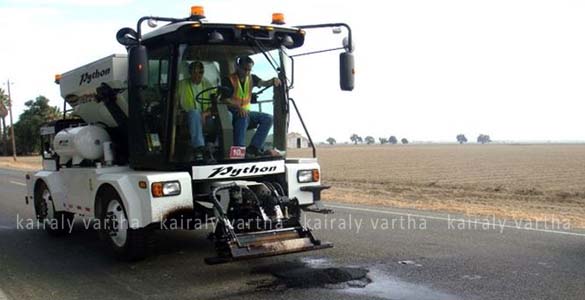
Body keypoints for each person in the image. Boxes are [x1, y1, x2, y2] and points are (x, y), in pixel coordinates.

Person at [222, 56, 281, 158]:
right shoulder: (229, 80)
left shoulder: (251, 78)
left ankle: (253, 148)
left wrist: (272, 80)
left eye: (249, 70)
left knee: (268, 118)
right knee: (243, 116)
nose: (247, 72)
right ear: (238, 67)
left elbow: (263, 83)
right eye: (245, 69)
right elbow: (224, 99)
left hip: (247, 113)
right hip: (231, 113)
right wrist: (238, 107)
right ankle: (239, 152)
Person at [178, 61, 213, 161]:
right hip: (187, 117)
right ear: (190, 73)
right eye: (195, 72)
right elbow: (175, 103)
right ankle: (199, 148)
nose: (198, 75)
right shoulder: (181, 85)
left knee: (226, 116)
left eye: (200, 72)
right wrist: (178, 112)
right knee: (194, 113)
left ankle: (219, 148)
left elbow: (215, 104)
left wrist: (206, 113)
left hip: (206, 117)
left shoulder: (208, 85)